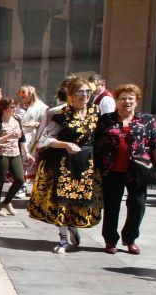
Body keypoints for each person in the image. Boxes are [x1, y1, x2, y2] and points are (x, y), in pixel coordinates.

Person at [28, 76, 103, 254]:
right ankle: (63, 239)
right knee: (62, 201)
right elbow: (44, 140)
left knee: (78, 201)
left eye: (87, 92)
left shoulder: (96, 111)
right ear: (70, 95)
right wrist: (65, 144)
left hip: (87, 163)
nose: (84, 96)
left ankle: (73, 226)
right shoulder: (61, 115)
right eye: (80, 92)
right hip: (64, 164)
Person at [93, 84, 156, 255]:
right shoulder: (106, 119)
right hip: (113, 169)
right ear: (116, 101)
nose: (126, 101)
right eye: (123, 98)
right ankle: (110, 240)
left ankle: (130, 239)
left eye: (130, 98)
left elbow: (154, 144)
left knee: (138, 205)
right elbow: (97, 144)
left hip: (138, 169)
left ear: (136, 101)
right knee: (112, 205)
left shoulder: (147, 119)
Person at [0, 98, 28, 216]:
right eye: (12, 107)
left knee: (20, 179)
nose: (14, 109)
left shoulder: (17, 119)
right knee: (0, 180)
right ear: (4, 109)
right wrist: (9, 136)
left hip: (15, 153)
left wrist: (26, 153)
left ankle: (7, 202)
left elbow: (22, 138)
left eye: (15, 107)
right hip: (0, 154)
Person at [16, 85, 47, 196]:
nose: (21, 96)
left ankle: (33, 187)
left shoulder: (39, 106)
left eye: (24, 94)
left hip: (33, 136)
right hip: (19, 137)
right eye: (20, 94)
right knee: (20, 161)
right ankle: (21, 186)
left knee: (32, 162)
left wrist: (37, 124)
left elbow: (45, 120)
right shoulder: (18, 106)